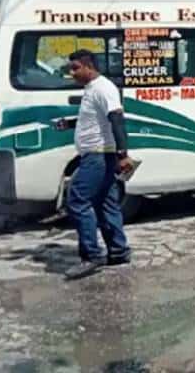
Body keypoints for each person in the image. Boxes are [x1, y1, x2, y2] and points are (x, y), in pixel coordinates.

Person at [63, 49, 132, 280]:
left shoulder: (103, 88)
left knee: (78, 200)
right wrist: (71, 124)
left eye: (75, 68)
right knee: (106, 203)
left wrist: (123, 155)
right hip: (97, 155)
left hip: (99, 156)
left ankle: (91, 255)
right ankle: (118, 251)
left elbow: (117, 120)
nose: (72, 73)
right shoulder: (91, 89)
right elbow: (97, 120)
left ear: (88, 66)